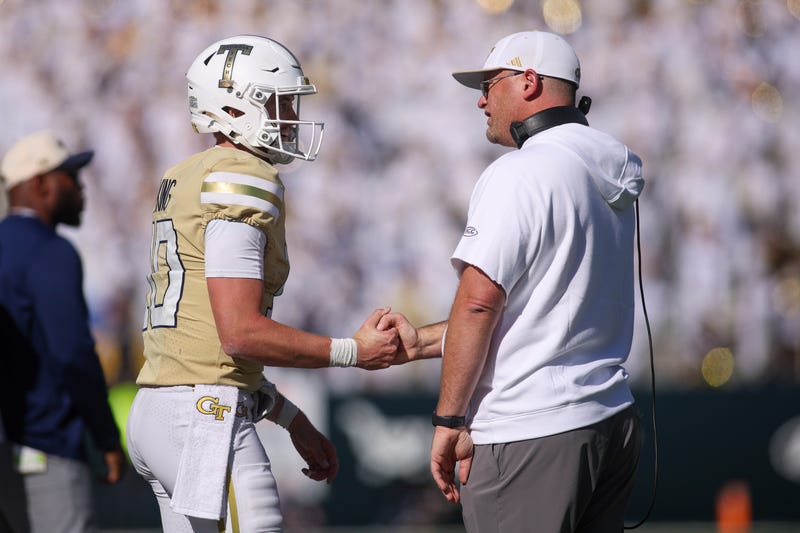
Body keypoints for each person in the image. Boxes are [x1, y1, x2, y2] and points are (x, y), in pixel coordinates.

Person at [125, 35, 399, 533]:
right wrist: (352, 352)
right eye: (278, 103)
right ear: (233, 107)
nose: (290, 118)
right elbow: (239, 332)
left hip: (165, 410)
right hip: (203, 417)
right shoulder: (240, 174)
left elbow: (207, 339)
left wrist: (289, 416)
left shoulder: (186, 174)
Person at [379, 31, 646, 532]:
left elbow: (479, 305)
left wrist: (448, 421)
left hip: (531, 429)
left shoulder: (521, 171)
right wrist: (419, 344)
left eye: (489, 83)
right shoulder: (610, 167)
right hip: (609, 419)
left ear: (528, 82)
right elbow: (538, 310)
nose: (481, 100)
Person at [0, 131, 127, 533]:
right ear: (40, 183)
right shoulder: (49, 250)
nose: (81, 187)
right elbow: (72, 354)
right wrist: (106, 436)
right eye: (70, 175)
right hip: (45, 449)